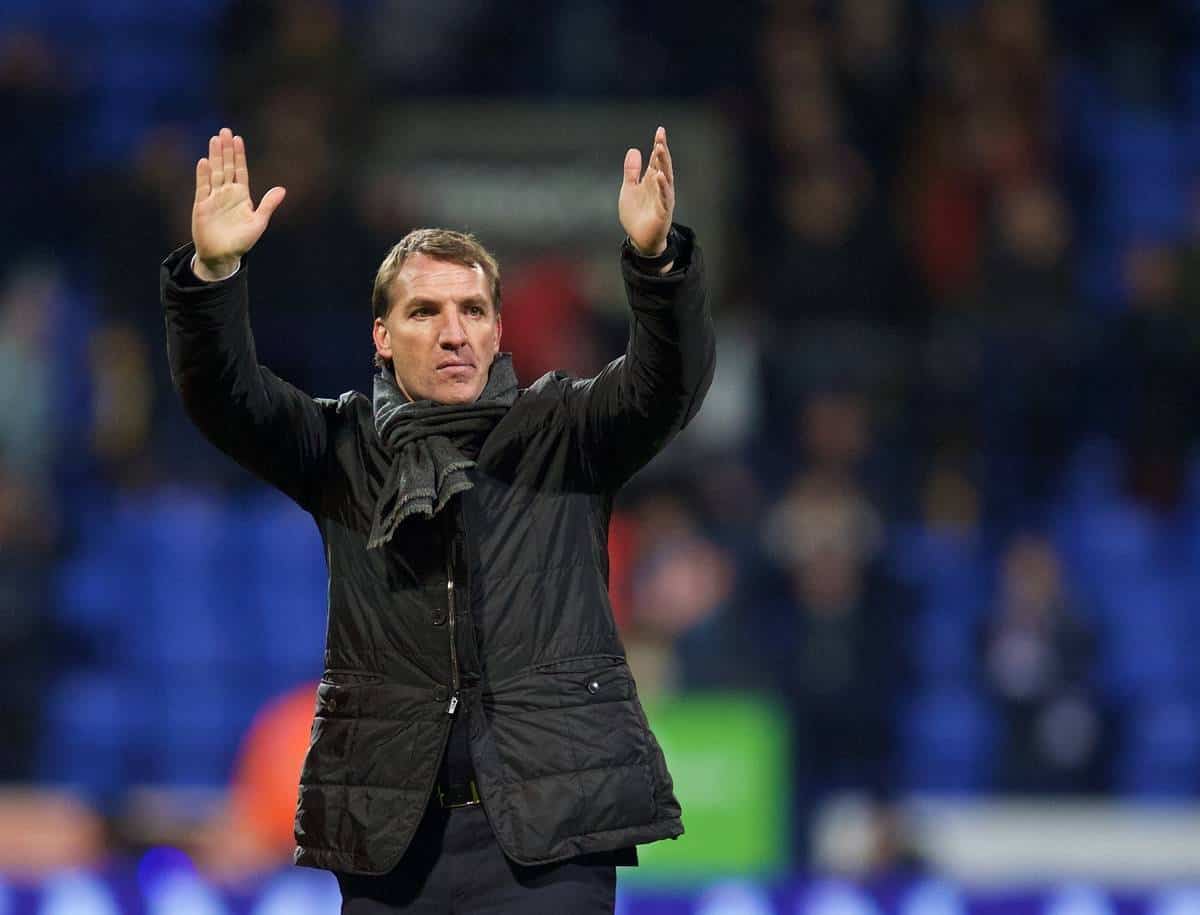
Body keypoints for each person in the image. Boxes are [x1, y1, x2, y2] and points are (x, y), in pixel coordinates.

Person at [160, 126, 714, 913]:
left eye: (472, 310)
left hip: (549, 842)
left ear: (496, 328)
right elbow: (226, 399)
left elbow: (671, 383)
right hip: (394, 842)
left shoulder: (565, 432)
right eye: (424, 311)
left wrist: (658, 268)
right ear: (383, 338)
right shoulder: (341, 447)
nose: (453, 331)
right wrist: (212, 275)